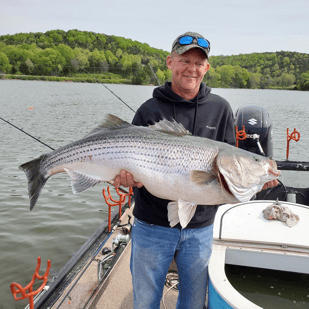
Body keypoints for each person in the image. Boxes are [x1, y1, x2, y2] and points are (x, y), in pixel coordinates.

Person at [113, 31, 278, 309]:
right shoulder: (148, 110)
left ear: (207, 68)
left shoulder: (221, 108)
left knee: (192, 303)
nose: (192, 68)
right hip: (151, 226)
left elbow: (229, 170)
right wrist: (123, 180)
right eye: (185, 60)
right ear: (170, 62)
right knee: (145, 301)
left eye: (199, 63)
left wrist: (255, 180)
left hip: (200, 229)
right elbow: (125, 168)